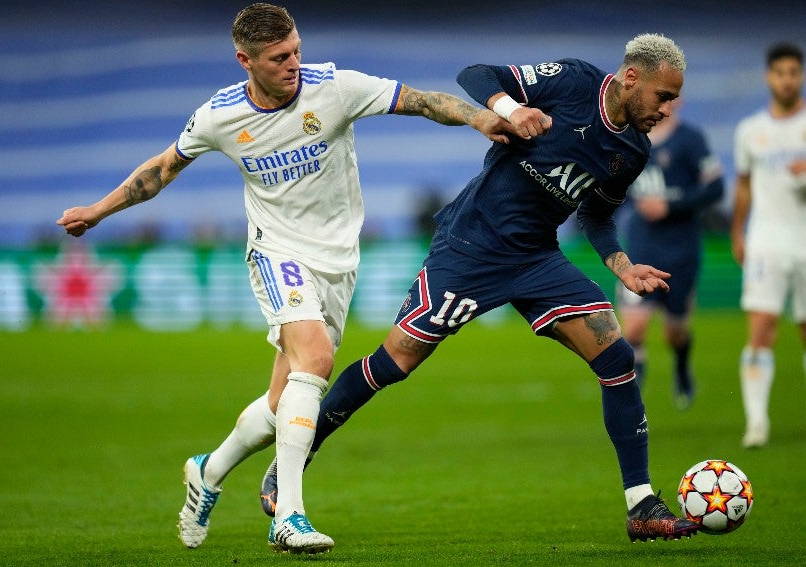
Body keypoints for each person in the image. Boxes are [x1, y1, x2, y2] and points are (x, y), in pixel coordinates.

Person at [56, 2, 508, 555]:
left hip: (337, 260)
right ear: (245, 61)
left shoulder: (335, 88)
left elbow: (421, 101)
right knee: (316, 361)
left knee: (282, 405)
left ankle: (208, 470)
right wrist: (98, 211)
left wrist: (480, 118)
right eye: (278, 58)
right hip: (276, 252)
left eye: (296, 50)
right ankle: (288, 515)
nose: (294, 64)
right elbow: (162, 169)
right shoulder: (220, 116)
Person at [259, 33, 700, 543]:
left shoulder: (633, 149)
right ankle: (298, 452)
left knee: (617, 358)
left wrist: (620, 266)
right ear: (631, 78)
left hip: (536, 256)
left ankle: (641, 505)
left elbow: (597, 213)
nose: (666, 109)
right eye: (662, 96)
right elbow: (476, 74)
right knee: (394, 362)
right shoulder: (574, 81)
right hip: (471, 246)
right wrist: (511, 110)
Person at [616, 104, 724, 409]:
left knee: (674, 332)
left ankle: (681, 367)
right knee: (633, 327)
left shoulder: (690, 139)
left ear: (677, 100)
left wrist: (669, 207)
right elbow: (618, 188)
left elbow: (715, 188)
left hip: (681, 250)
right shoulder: (631, 139)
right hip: (641, 248)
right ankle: (633, 401)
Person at [731, 41, 806, 449]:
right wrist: (738, 231)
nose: (787, 79)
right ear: (769, 77)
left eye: (794, 72)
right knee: (761, 330)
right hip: (767, 241)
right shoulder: (750, 131)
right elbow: (742, 186)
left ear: (801, 76)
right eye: (780, 72)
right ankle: (756, 423)